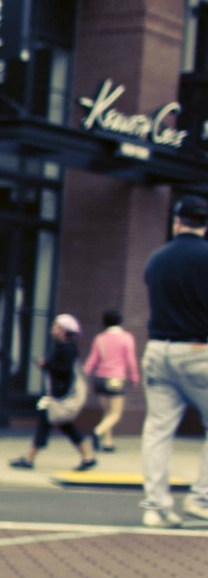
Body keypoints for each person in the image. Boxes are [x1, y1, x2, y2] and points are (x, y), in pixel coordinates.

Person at [140, 196, 208, 527]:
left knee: (158, 429)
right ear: (204, 224)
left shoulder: (156, 259)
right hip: (197, 351)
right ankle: (201, 499)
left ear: (177, 222)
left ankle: (156, 506)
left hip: (157, 350)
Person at [10, 314, 97, 471]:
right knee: (66, 427)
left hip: (58, 396)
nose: (52, 330)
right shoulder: (65, 348)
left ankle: (30, 459)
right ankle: (87, 457)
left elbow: (64, 371)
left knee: (47, 425)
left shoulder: (66, 349)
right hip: (58, 395)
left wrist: (46, 365)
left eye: (56, 327)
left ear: (64, 331)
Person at [83, 309, 138, 452]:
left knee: (107, 411)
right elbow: (130, 360)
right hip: (116, 378)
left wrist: (84, 373)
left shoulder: (100, 338)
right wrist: (134, 376)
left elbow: (92, 360)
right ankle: (97, 432)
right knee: (116, 413)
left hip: (100, 378)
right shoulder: (126, 337)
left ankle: (108, 443)